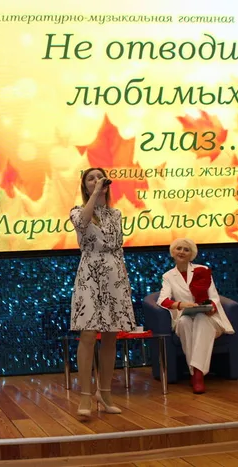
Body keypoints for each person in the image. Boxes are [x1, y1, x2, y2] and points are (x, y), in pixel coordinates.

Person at [69, 168, 136, 417]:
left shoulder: (115, 214)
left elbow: (117, 246)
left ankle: (104, 393)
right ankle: (85, 396)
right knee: (88, 333)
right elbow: (82, 223)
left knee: (111, 335)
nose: (97, 180)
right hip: (90, 273)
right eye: (91, 178)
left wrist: (121, 279)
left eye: (100, 177)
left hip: (114, 274)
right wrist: (95, 193)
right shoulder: (77, 211)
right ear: (85, 186)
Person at [156, 238, 235, 394]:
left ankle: (197, 375)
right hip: (185, 316)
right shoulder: (168, 276)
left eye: (186, 250)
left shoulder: (202, 270)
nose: (182, 252)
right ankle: (196, 372)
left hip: (209, 318)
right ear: (173, 252)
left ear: (192, 254)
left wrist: (209, 307)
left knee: (201, 319)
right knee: (184, 321)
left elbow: (214, 297)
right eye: (179, 248)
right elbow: (162, 300)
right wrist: (181, 305)